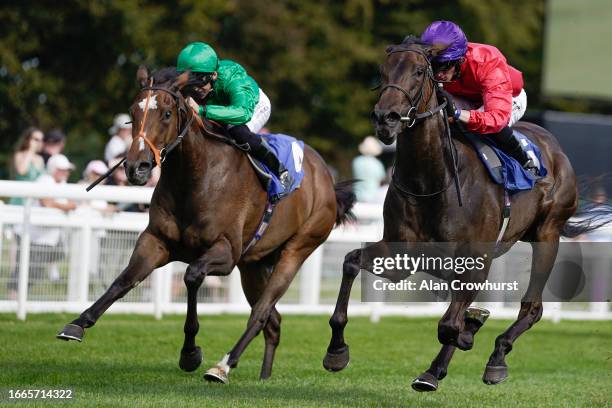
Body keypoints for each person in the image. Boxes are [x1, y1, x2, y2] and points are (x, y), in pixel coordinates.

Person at [420, 21, 538, 176]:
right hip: (467, 97)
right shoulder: (434, 66)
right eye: (433, 65)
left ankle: (526, 161)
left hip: (508, 97)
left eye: (444, 66)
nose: (438, 74)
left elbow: (496, 119)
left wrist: (456, 114)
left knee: (486, 129)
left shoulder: (487, 61)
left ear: (460, 59)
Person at [176, 41, 293, 190]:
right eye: (191, 83)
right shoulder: (196, 83)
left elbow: (242, 113)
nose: (196, 89)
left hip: (251, 107)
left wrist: (202, 110)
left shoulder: (234, 80)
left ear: (214, 75)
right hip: (219, 107)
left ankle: (279, 171)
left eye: (200, 81)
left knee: (237, 133)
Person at [9, 127, 45, 205]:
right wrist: (30, 150)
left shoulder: (40, 159)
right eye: (36, 139)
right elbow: (22, 171)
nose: (39, 142)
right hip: (20, 200)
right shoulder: (19, 155)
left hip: (34, 200)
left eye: (41, 140)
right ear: (28, 140)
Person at [352, 136, 386, 203]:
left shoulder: (356, 161)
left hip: (357, 196)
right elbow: (381, 180)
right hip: (373, 197)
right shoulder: (377, 164)